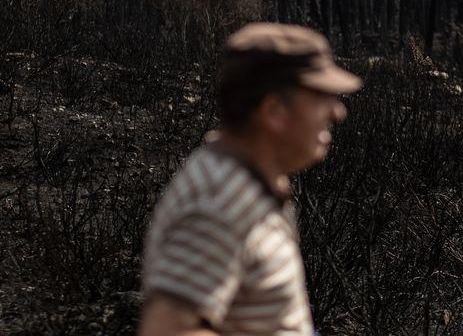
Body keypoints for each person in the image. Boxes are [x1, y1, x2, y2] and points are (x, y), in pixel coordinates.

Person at [138, 22, 362, 336]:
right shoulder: (219, 201)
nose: (337, 113)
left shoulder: (246, 184)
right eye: (320, 97)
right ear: (273, 111)